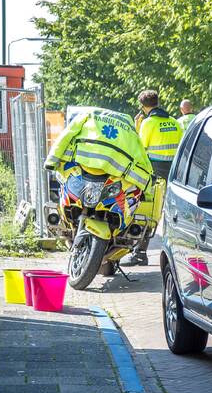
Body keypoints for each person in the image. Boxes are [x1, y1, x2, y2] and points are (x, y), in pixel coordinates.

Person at [123, 90, 184, 266]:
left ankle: (140, 253)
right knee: (172, 214)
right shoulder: (173, 122)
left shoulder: (148, 123)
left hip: (154, 174)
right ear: (157, 102)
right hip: (174, 174)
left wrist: (137, 127)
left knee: (147, 211)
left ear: (143, 107)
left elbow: (139, 149)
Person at [44, 108, 152, 194]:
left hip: (83, 166)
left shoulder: (89, 114)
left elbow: (66, 135)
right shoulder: (129, 126)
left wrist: (51, 161)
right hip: (112, 173)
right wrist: (148, 182)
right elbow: (140, 153)